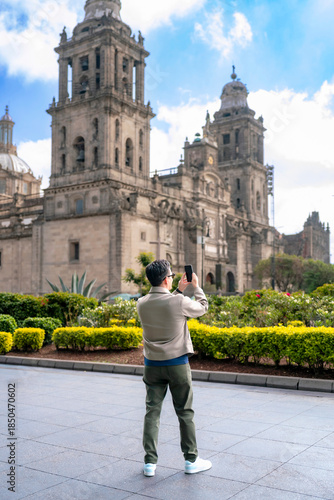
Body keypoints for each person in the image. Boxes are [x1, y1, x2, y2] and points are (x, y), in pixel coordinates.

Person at [137, 259, 212, 477]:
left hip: (152, 366)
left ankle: (149, 463)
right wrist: (195, 287)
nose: (171, 279)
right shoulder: (178, 302)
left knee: (152, 412)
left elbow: (165, 301)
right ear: (165, 279)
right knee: (185, 413)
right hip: (177, 364)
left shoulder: (141, 302)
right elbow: (202, 308)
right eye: (170, 276)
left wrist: (178, 289)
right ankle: (191, 460)